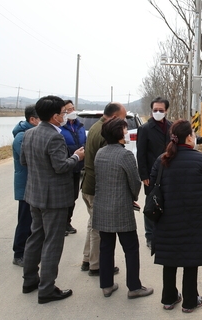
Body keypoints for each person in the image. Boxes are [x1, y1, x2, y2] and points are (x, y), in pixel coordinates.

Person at [149, 119, 202, 313]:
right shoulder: (199, 159)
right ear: (189, 137)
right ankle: (190, 301)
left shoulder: (161, 159)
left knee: (169, 258)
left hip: (167, 218)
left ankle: (169, 298)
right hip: (194, 217)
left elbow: (152, 189)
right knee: (191, 258)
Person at [20, 95, 85, 304]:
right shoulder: (54, 137)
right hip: (54, 199)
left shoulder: (28, 134)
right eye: (64, 112)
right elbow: (61, 166)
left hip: (34, 195)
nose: (66, 115)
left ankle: (30, 280)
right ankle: (47, 288)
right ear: (55, 116)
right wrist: (76, 157)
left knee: (35, 237)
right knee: (52, 243)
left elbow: (24, 161)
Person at [92, 118, 153, 299]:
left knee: (106, 247)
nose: (127, 133)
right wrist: (133, 197)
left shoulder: (100, 153)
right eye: (125, 130)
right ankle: (134, 287)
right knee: (131, 248)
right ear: (119, 133)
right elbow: (135, 182)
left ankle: (106, 284)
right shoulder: (125, 155)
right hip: (121, 208)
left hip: (102, 207)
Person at [80, 102, 126, 276]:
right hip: (96, 186)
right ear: (114, 117)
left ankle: (87, 258)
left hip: (88, 184)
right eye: (122, 118)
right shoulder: (105, 133)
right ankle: (96, 264)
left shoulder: (95, 127)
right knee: (99, 228)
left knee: (92, 223)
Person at [136, 97, 172, 248]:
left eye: (161, 110)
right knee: (152, 204)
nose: (158, 112)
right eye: (155, 110)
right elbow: (141, 154)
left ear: (166, 111)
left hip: (169, 172)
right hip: (151, 174)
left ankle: (164, 233)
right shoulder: (145, 129)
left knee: (168, 202)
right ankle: (150, 236)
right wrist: (143, 175)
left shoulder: (171, 127)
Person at [11, 105, 40, 265]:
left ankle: (28, 251)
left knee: (32, 221)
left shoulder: (30, 134)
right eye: (40, 119)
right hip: (26, 185)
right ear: (32, 119)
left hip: (34, 184)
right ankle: (19, 253)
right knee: (25, 220)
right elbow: (30, 159)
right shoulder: (21, 137)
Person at [59, 99, 86, 236]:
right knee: (64, 197)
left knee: (73, 196)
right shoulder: (60, 129)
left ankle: (67, 222)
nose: (71, 111)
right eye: (68, 110)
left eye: (72, 108)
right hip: (65, 167)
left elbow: (84, 143)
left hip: (77, 167)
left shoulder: (80, 126)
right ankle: (61, 224)